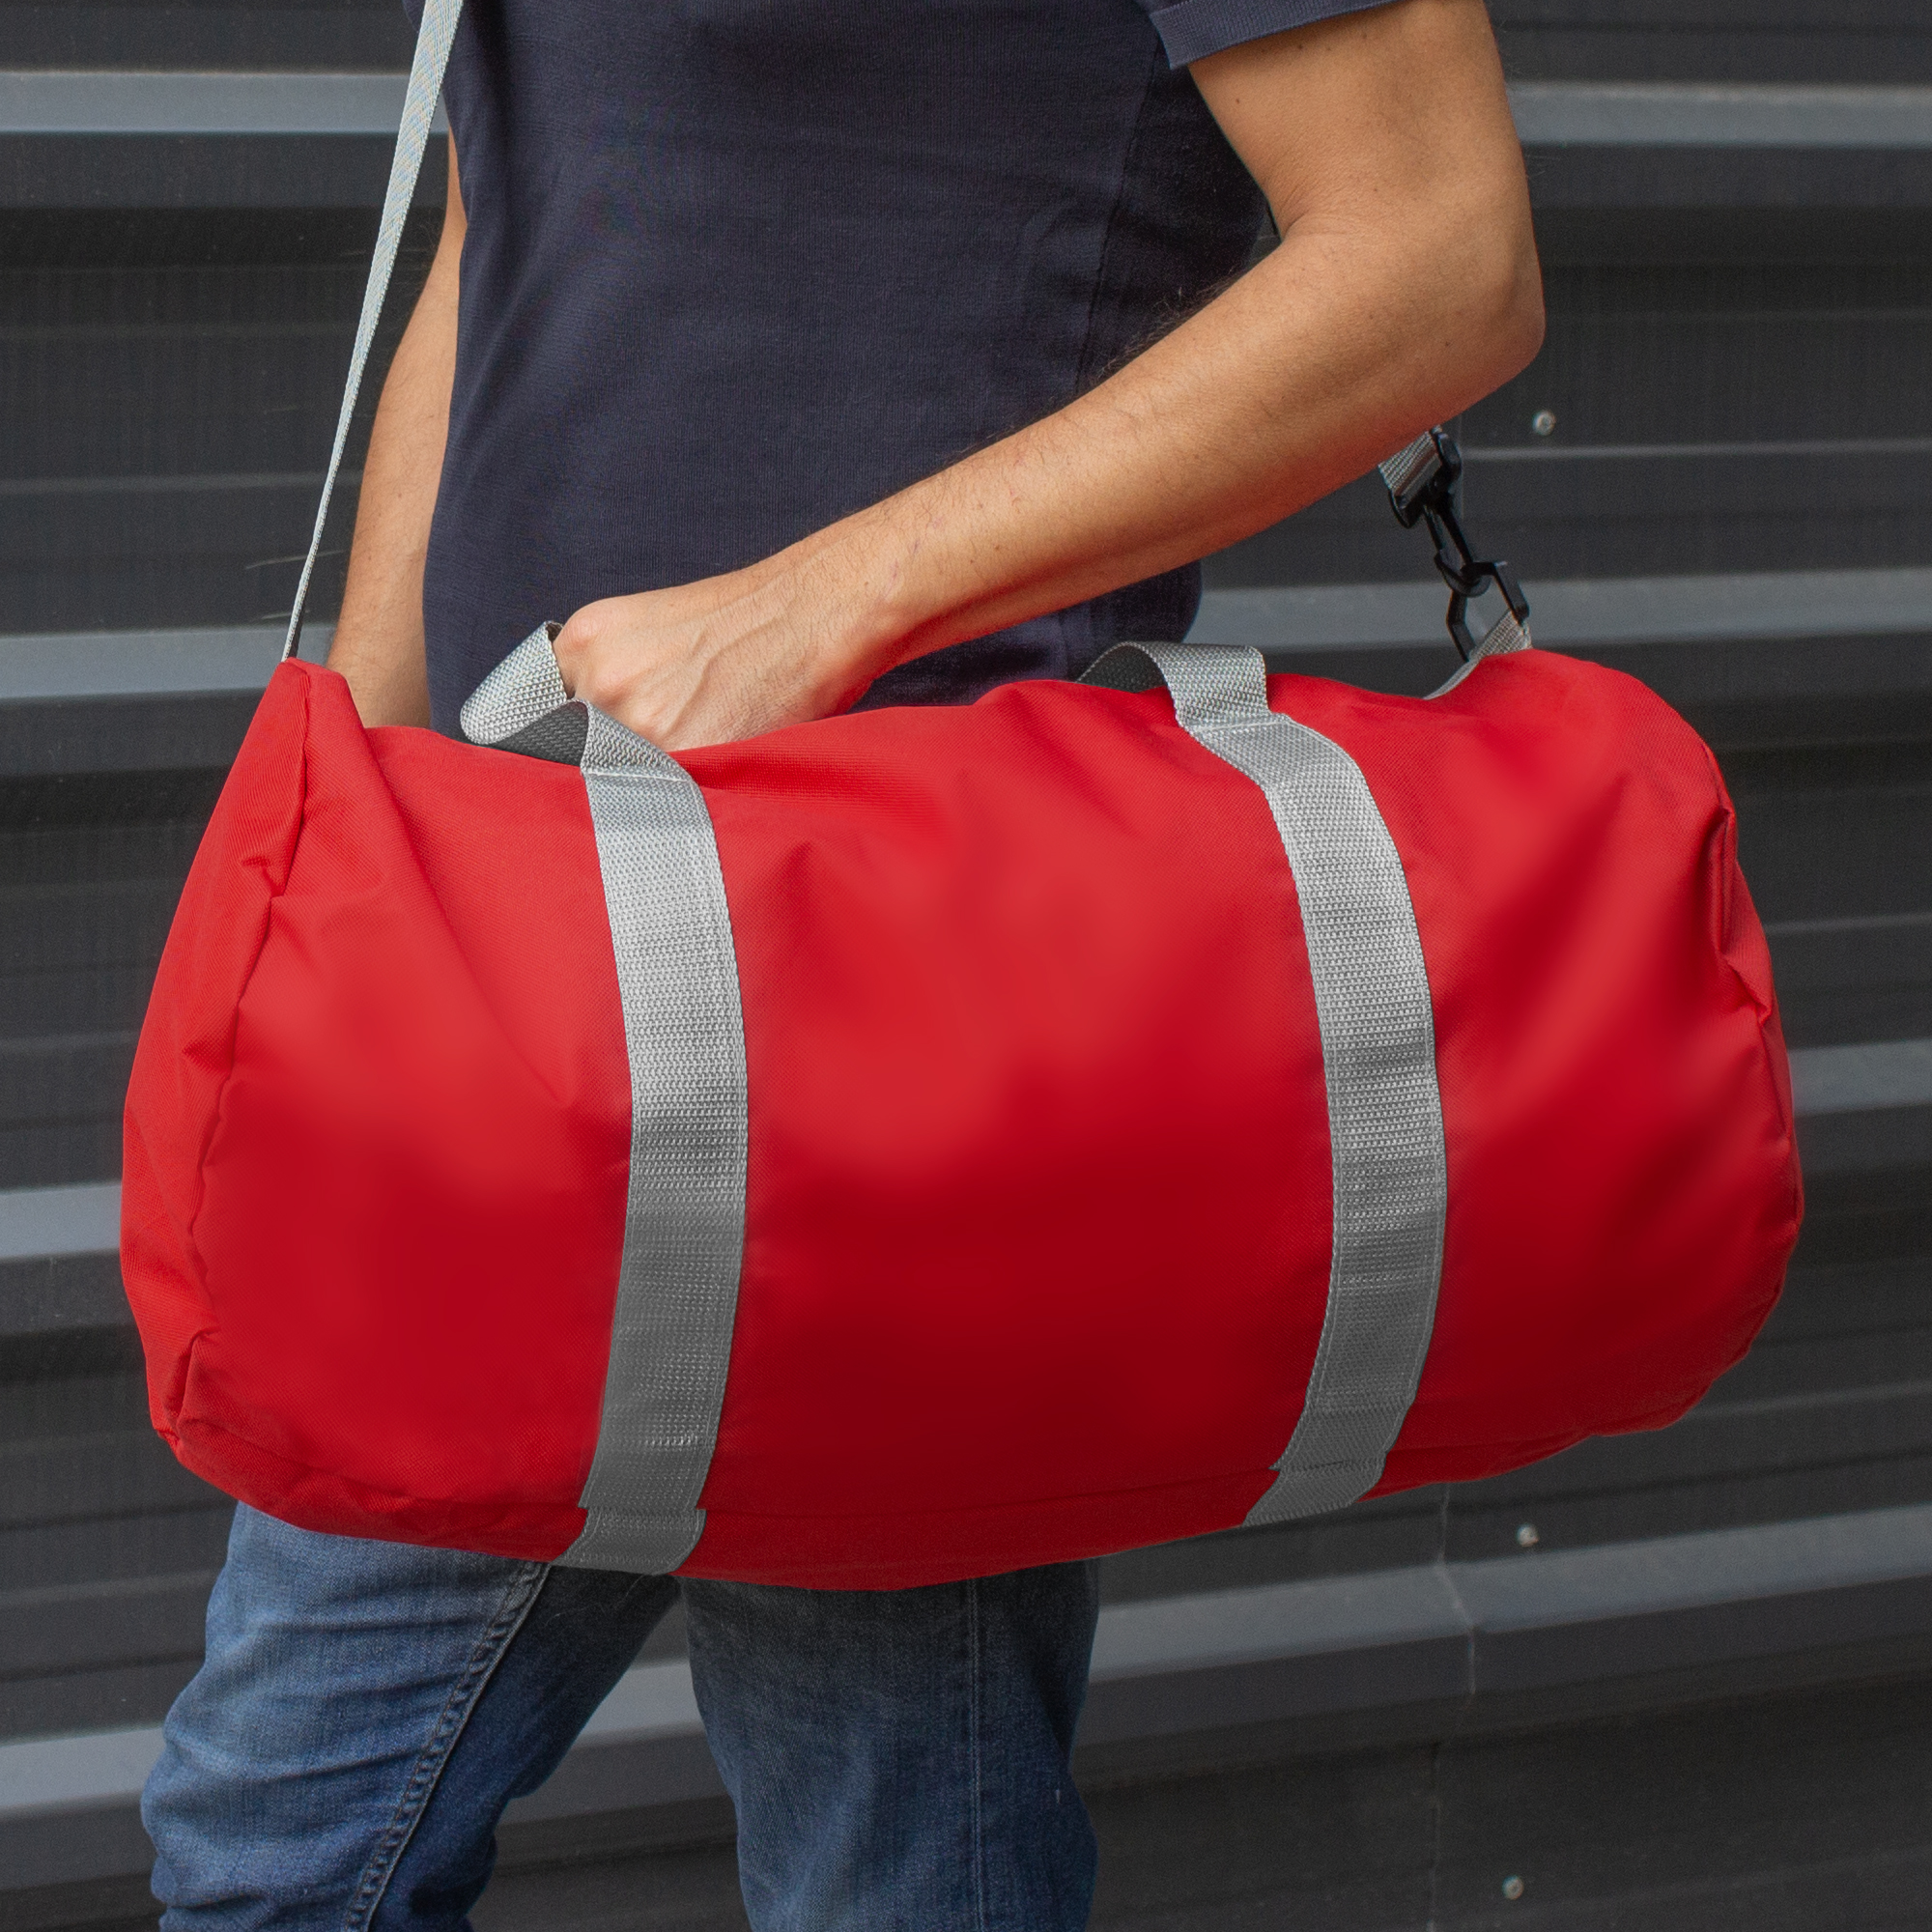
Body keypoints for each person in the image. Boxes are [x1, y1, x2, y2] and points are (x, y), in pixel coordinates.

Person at [143, 0, 1541, 1924]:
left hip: (885, 1014)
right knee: (269, 1848)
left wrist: (821, 602)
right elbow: (507, 216)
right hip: (505, 973)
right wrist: (360, 791)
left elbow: (1442, 256)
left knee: (884, 1874)